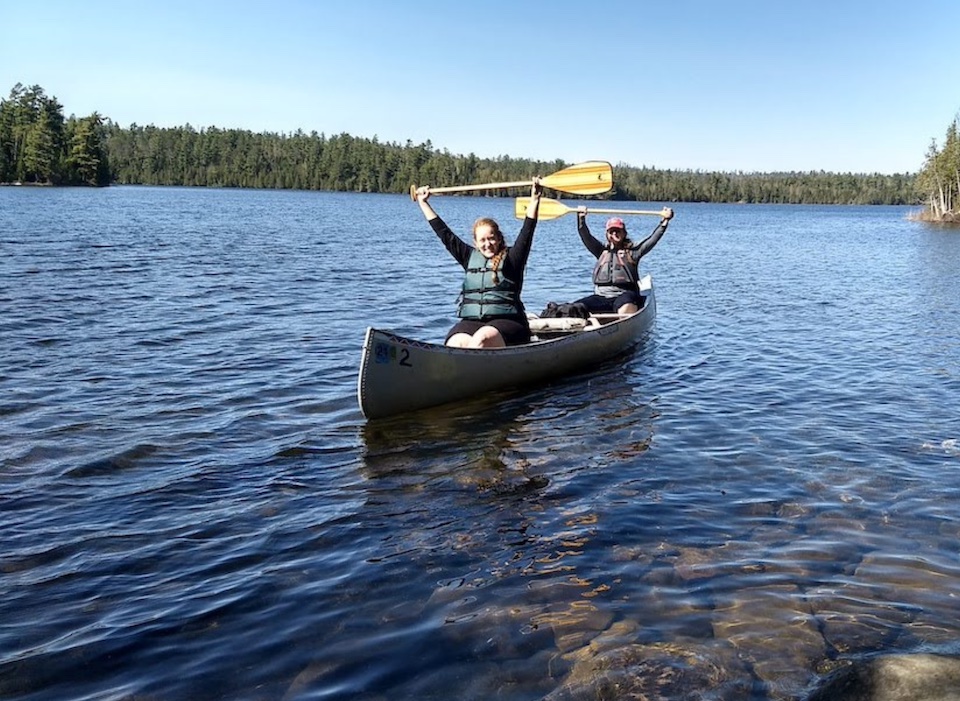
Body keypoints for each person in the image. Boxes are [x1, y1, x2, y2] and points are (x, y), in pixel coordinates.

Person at [414, 178, 543, 348]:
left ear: (498, 239)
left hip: (509, 323)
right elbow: (444, 233)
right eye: (482, 240)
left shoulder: (513, 258)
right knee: (456, 342)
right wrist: (423, 203)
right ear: (475, 242)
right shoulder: (469, 257)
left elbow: (527, 230)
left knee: (481, 339)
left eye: (491, 238)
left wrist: (535, 200)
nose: (487, 244)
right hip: (473, 321)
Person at [572, 206, 674, 315]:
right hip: (601, 297)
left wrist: (665, 221)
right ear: (607, 234)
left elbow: (652, 239)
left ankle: (624, 322)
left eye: (618, 231)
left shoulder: (633, 253)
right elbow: (584, 234)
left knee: (625, 307)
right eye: (611, 231)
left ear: (624, 233)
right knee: (575, 308)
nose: (614, 234)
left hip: (625, 296)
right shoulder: (600, 250)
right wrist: (581, 218)